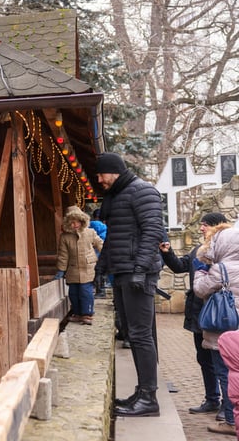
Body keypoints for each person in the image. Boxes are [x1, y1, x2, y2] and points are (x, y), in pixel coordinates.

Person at [94, 152, 165, 417]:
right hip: (123, 272)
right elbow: (114, 237)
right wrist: (101, 268)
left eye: (101, 174)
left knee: (140, 335)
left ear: (113, 171)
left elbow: (152, 231)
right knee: (132, 334)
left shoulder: (142, 191)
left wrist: (140, 269)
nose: (99, 179)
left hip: (138, 275)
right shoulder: (118, 196)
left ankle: (149, 398)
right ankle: (142, 392)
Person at [160, 212, 228, 417]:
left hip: (221, 314)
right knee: (204, 358)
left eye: (205, 225)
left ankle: (228, 405)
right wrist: (167, 252)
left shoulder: (226, 252)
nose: (201, 228)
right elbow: (180, 267)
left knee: (223, 362)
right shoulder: (198, 250)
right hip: (199, 314)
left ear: (217, 227)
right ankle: (212, 399)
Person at [194, 221, 239, 435]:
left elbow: (200, 290)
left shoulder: (221, 268)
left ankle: (231, 421)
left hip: (223, 330)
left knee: (226, 374)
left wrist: (201, 272)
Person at [54, 206, 104, 325]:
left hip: (88, 267)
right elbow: (63, 255)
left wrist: (105, 258)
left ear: (82, 220)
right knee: (73, 292)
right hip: (73, 269)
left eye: (76, 221)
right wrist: (61, 270)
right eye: (71, 222)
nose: (74, 224)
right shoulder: (65, 237)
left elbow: (100, 244)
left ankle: (87, 314)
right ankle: (77, 313)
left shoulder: (90, 232)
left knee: (85, 291)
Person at [89, 209, 109, 297]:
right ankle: (101, 290)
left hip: (92, 252)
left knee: (95, 272)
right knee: (102, 272)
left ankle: (97, 289)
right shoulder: (105, 227)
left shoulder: (88, 226)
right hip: (103, 251)